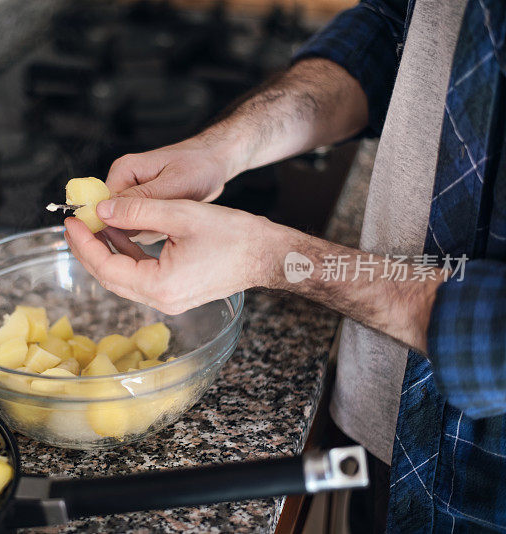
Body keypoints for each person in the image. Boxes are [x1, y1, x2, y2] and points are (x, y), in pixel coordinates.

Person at [64, 0, 505, 532]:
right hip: (375, 411)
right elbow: (396, 29)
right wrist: (224, 147)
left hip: (475, 486)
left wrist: (270, 256)